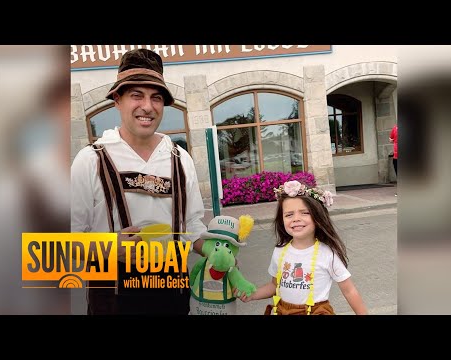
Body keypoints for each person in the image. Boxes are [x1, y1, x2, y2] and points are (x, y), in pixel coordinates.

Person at [71, 48, 207, 315]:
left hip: (173, 297)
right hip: (111, 300)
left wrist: (215, 249)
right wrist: (108, 249)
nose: (147, 106)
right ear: (117, 100)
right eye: (136, 95)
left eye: (156, 97)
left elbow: (192, 226)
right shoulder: (91, 160)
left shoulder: (180, 158)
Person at [235, 180, 368, 315]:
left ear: (317, 217)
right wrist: (253, 294)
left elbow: (349, 290)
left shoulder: (327, 253)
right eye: (289, 214)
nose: (296, 219)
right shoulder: (279, 251)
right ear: (282, 220)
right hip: (282, 311)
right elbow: (275, 286)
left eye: (304, 213)